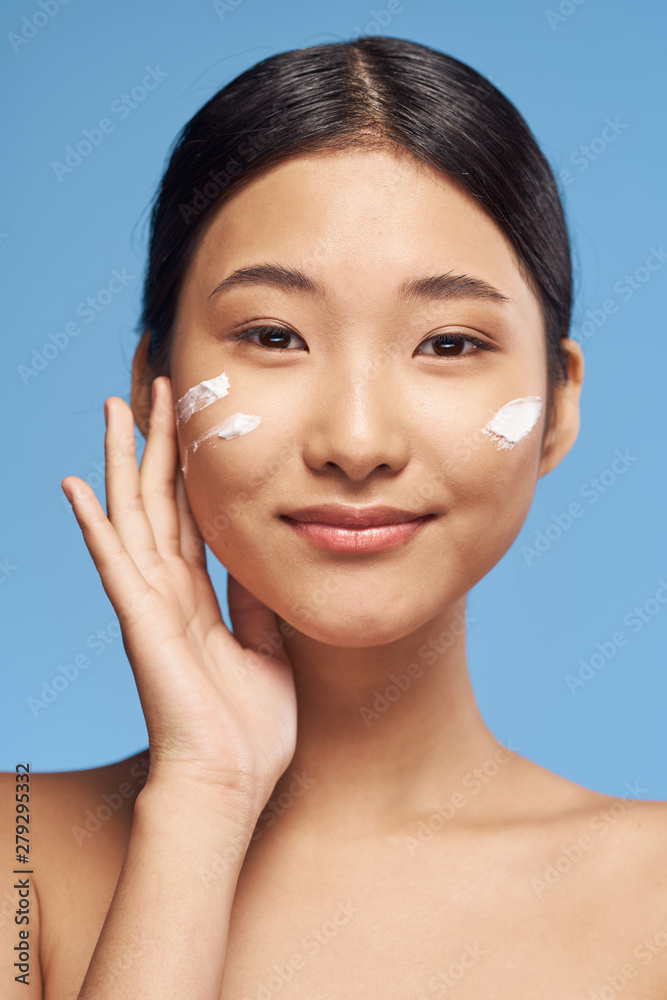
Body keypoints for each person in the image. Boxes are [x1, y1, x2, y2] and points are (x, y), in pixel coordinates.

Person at [3, 34, 666, 999]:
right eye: (273, 335)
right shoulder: (20, 858)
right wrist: (203, 803)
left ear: (559, 405)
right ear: (157, 386)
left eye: (446, 342)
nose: (356, 442)